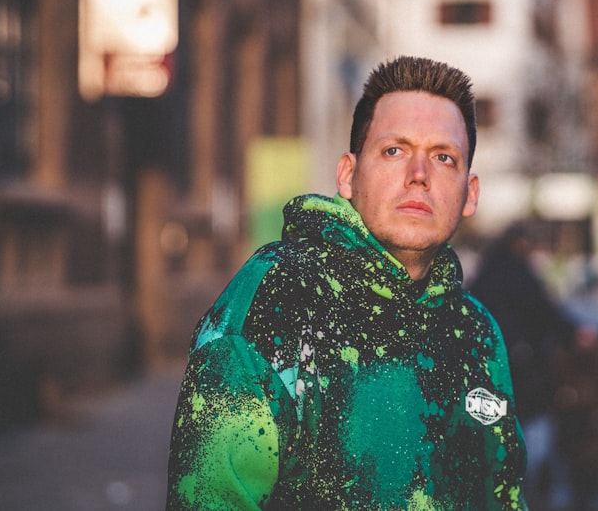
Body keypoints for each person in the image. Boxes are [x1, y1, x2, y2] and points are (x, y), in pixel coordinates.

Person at [166, 57, 529, 510]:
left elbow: (505, 496)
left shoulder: (476, 333)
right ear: (347, 176)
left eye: (443, 157)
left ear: (469, 193)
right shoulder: (279, 296)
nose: (419, 174)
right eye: (394, 150)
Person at [466, 222, 591, 505]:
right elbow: (543, 311)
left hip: (490, 368)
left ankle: (502, 479)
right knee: (531, 423)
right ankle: (526, 484)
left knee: (496, 426)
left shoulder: (487, 271)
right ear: (519, 243)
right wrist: (574, 333)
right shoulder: (519, 274)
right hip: (525, 368)